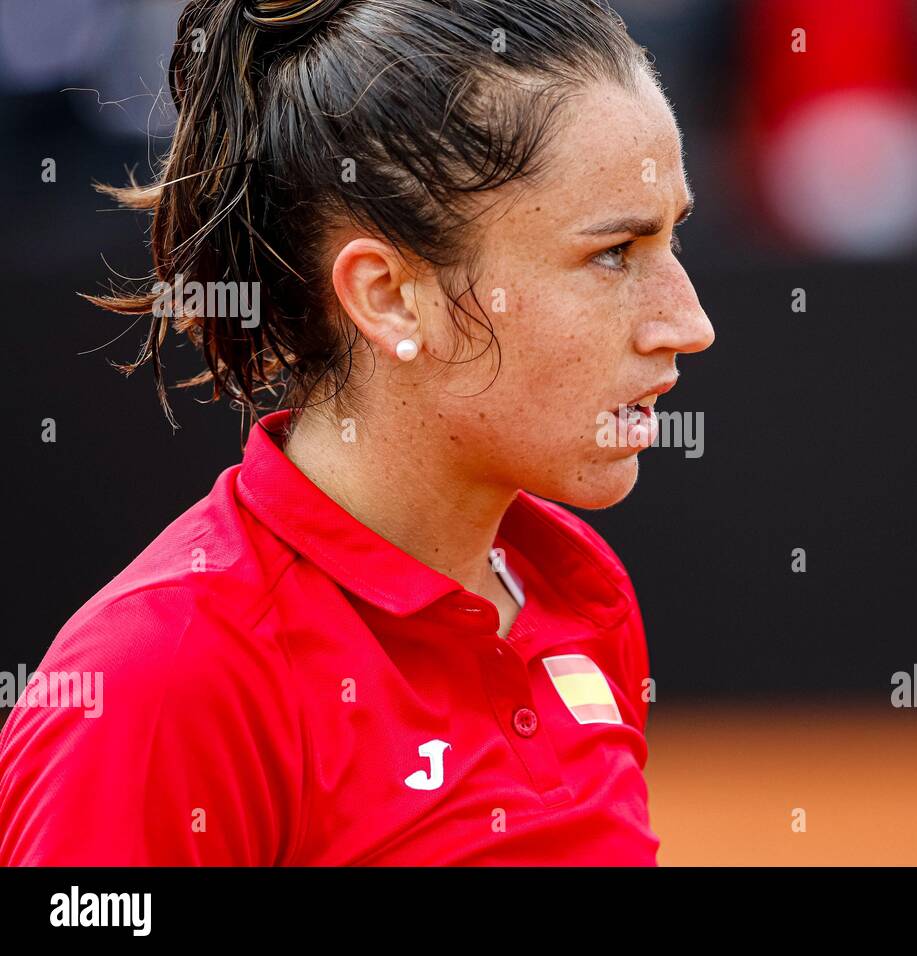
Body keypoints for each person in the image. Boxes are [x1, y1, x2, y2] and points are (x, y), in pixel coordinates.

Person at [0, 0, 713, 865]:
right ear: (387, 295)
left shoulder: (578, 593)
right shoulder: (160, 683)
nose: (688, 321)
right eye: (614, 254)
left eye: (673, 239)